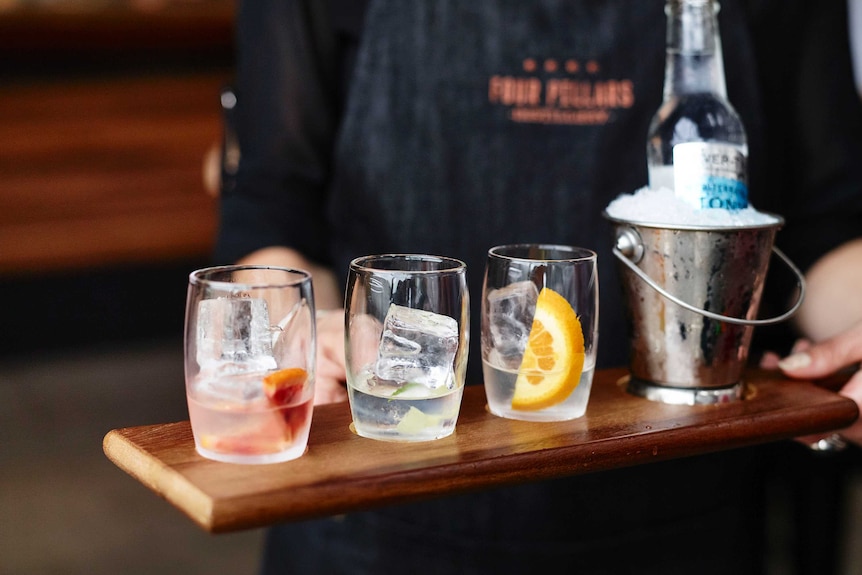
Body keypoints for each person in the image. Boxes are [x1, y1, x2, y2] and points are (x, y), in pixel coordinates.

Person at [215, 0, 862, 573]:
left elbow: (826, 226)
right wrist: (310, 335)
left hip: (685, 509)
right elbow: (273, 202)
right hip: (374, 510)